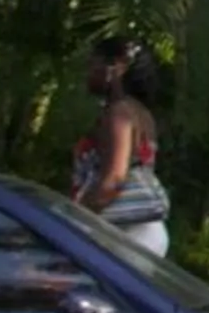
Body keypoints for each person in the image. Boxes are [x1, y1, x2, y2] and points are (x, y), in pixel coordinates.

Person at [71, 35, 172, 257]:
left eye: (93, 63)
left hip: (126, 233)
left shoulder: (119, 114)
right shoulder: (141, 113)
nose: (88, 72)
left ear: (115, 67)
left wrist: (72, 218)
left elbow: (114, 180)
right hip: (143, 230)